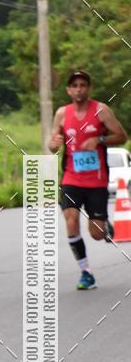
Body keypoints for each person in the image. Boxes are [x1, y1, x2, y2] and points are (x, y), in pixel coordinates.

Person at [49, 70, 126, 290]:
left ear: (88, 88)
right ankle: (86, 273)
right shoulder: (62, 114)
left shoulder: (101, 110)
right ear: (68, 90)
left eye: (83, 85)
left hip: (97, 180)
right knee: (70, 220)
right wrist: (53, 144)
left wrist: (99, 139)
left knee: (96, 233)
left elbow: (121, 136)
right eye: (75, 85)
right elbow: (52, 145)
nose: (79, 89)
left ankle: (104, 225)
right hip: (71, 177)